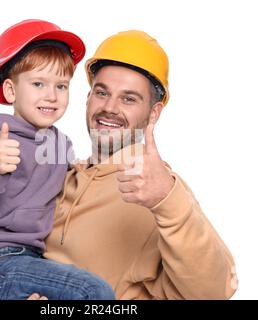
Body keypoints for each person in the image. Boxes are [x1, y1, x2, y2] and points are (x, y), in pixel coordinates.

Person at [30, 30, 238, 300]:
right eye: (101, 92)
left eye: (129, 99)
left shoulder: (156, 191)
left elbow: (215, 292)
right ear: (88, 97)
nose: (110, 108)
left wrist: (166, 199)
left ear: (154, 113)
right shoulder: (60, 175)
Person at [0, 19, 115, 300]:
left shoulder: (60, 144)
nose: (51, 95)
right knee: (93, 292)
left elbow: (70, 191)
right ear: (11, 91)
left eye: (61, 86)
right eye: (38, 83)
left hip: (30, 259)